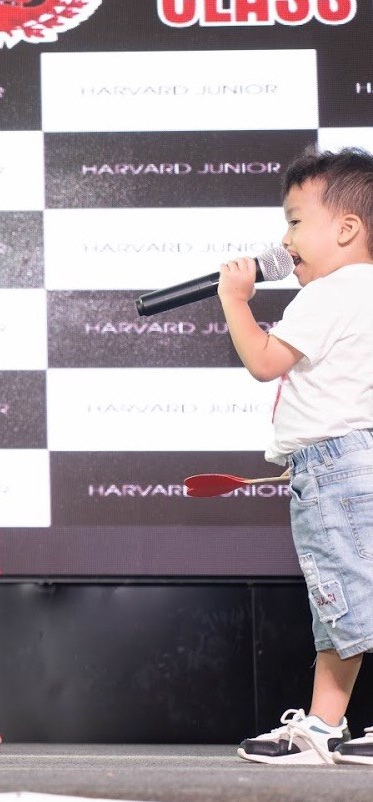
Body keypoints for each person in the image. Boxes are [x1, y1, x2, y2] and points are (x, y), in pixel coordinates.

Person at [221, 147, 373, 766]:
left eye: (294, 222)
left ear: (347, 228)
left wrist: (235, 298)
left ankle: (322, 728)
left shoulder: (331, 293)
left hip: (338, 467)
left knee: (345, 598)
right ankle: (323, 726)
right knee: (346, 600)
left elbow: (265, 362)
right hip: (348, 458)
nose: (284, 241)